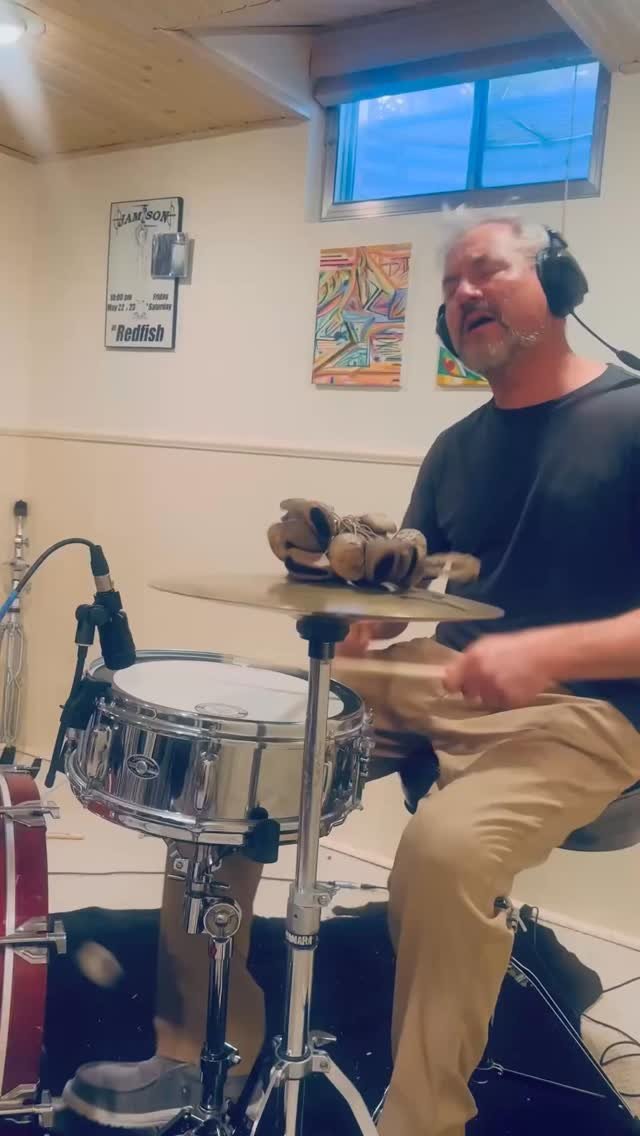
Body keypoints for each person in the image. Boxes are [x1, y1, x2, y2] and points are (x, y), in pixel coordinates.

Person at [63, 214, 640, 1136]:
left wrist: (545, 652)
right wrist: (362, 615)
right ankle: (201, 1046)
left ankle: (424, 1119)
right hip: (442, 678)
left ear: (560, 284)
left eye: (487, 270)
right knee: (231, 753)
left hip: (586, 711)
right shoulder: (458, 446)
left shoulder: (632, 418)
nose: (463, 294)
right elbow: (413, 593)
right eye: (450, 286)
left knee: (446, 853)